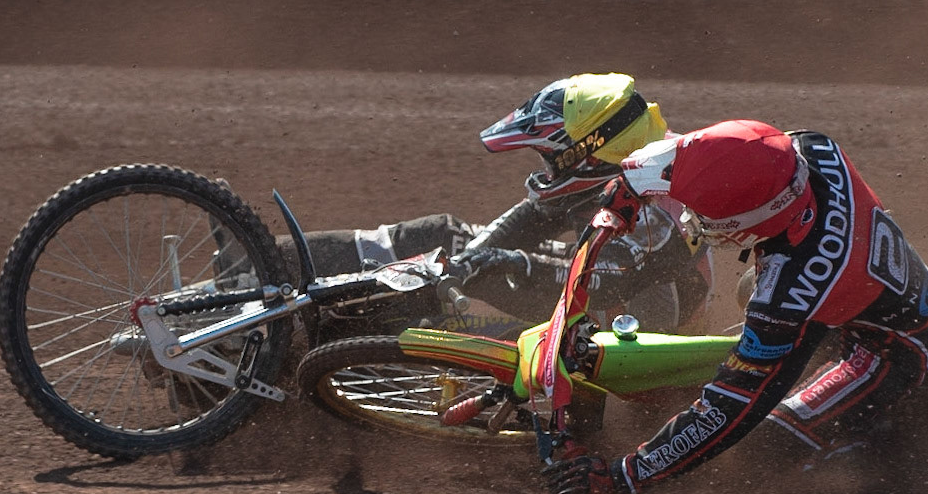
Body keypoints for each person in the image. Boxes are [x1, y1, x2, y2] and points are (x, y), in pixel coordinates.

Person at [542, 119, 928, 494]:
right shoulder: (806, 149)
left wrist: (625, 475)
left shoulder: (790, 293)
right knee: (749, 300)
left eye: (705, 215)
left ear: (755, 220)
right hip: (862, 284)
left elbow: (730, 407)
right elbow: (718, 152)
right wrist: (628, 189)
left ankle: (881, 479)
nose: (691, 218)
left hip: (891, 344)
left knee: (763, 443)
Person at [304, 73, 713, 333]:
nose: (545, 171)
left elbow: (605, 282)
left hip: (633, 329)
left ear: (586, 155)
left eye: (550, 158)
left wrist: (505, 262)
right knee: (449, 240)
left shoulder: (657, 204)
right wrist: (464, 261)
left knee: (489, 278)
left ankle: (361, 344)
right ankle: (287, 269)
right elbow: (536, 215)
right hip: (602, 283)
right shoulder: (627, 158)